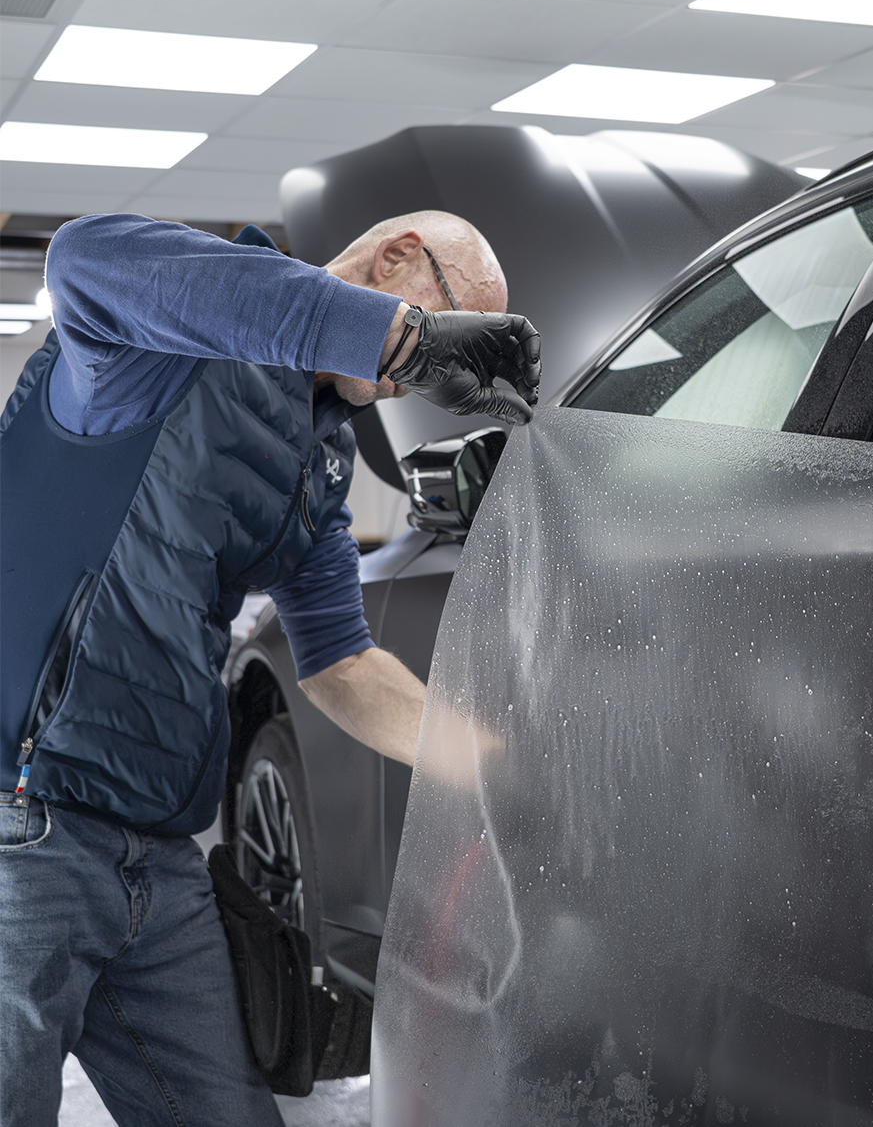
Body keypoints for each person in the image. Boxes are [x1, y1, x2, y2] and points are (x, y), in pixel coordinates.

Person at [0, 208, 540, 1127]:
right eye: (452, 321)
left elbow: (341, 662)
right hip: (25, 834)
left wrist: (502, 764)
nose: (431, 369)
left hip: (158, 862)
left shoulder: (318, 459)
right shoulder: (171, 327)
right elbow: (78, 257)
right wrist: (408, 338)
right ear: (397, 256)